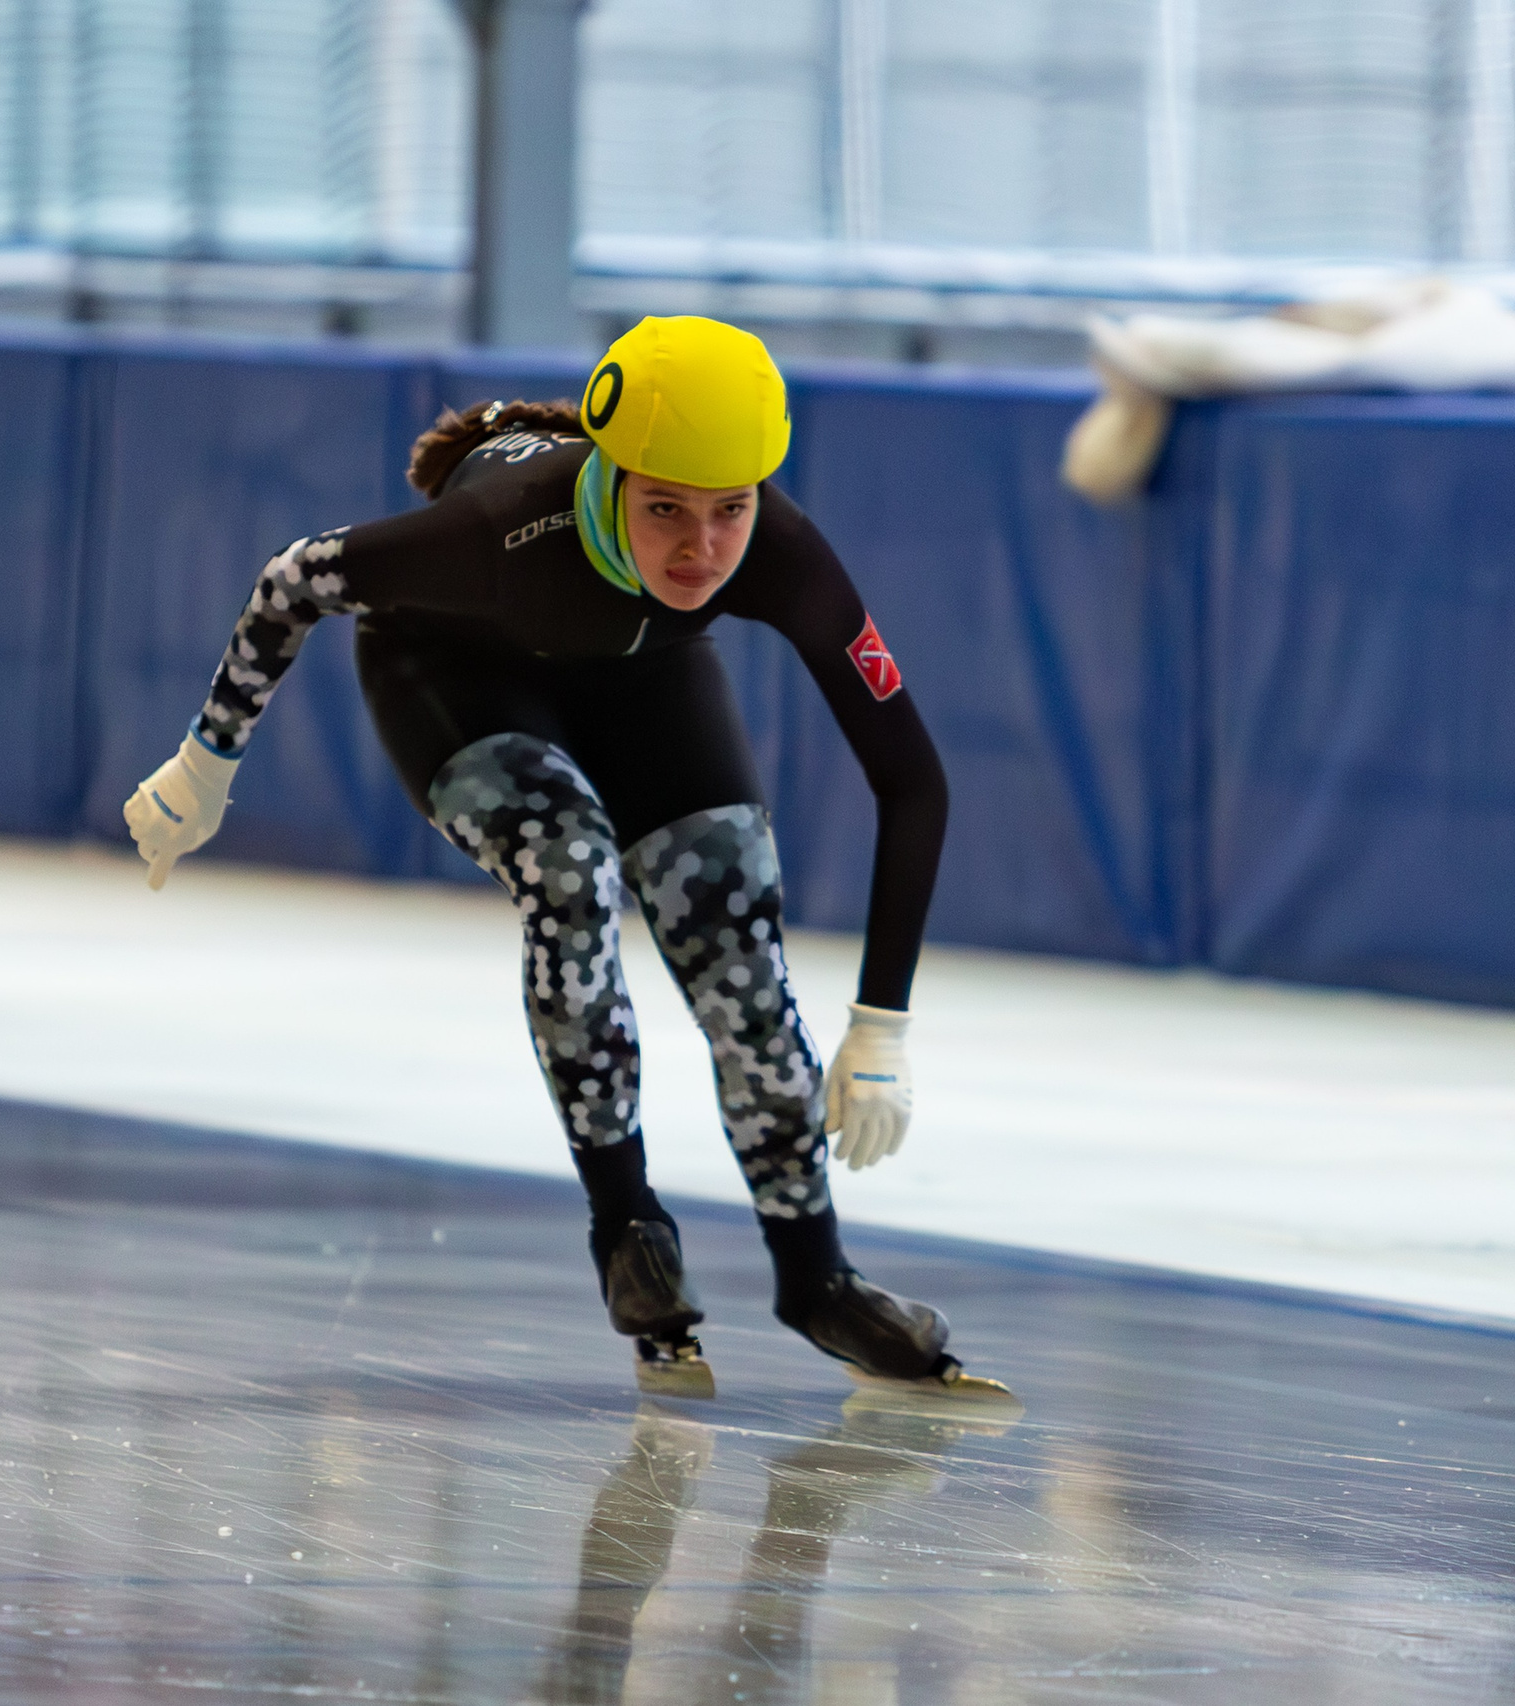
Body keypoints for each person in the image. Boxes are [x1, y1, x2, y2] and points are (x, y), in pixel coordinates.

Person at [123, 315, 1006, 1402]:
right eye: (665, 509)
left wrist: (882, 1026)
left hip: (642, 676)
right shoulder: (502, 527)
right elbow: (291, 580)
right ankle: (627, 1223)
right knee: (568, 866)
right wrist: (206, 760)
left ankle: (816, 1275)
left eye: (730, 510)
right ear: (612, 474)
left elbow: (912, 777)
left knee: (734, 925)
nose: (700, 548)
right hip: (456, 671)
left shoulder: (779, 550)